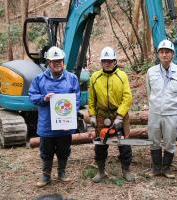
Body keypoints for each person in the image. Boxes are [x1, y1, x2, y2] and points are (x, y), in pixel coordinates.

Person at [29, 46, 80, 187]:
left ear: (63, 61)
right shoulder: (39, 79)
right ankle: (46, 176)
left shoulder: (72, 79)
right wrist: (44, 98)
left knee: (64, 150)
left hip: (64, 124)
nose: (57, 63)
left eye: (59, 61)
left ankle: (62, 172)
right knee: (46, 151)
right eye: (53, 61)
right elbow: (32, 97)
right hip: (47, 124)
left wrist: (69, 116)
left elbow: (76, 99)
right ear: (48, 63)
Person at [88, 46, 134, 183]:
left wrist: (120, 116)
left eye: (110, 61)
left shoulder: (122, 76)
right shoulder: (95, 77)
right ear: (101, 62)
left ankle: (126, 170)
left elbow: (127, 97)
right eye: (105, 61)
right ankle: (101, 171)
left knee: (125, 144)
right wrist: (91, 115)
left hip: (119, 114)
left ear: (115, 61)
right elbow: (91, 99)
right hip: (102, 115)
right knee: (100, 145)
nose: (107, 63)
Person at [146, 39, 177, 178]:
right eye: (162, 52)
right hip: (155, 113)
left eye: (168, 52)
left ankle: (166, 168)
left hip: (172, 113)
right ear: (158, 54)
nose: (165, 55)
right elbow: (149, 92)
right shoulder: (151, 72)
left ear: (173, 54)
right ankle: (156, 168)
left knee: (170, 142)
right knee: (154, 140)